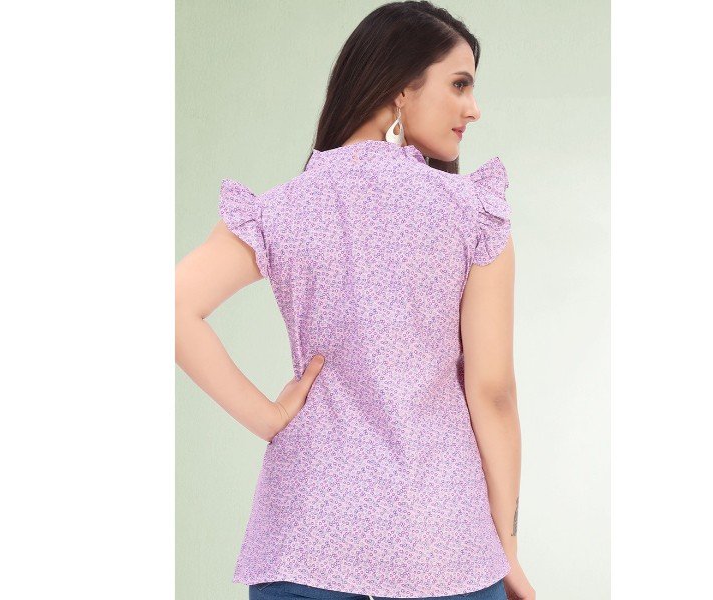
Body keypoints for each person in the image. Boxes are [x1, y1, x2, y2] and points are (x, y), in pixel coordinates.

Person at [175, 2, 536, 600]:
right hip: (442, 550)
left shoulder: (282, 209)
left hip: (303, 545)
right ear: (400, 88)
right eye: (459, 84)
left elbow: (173, 307)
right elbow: (492, 393)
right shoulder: (472, 213)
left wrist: (267, 418)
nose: (474, 108)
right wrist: (508, 549)